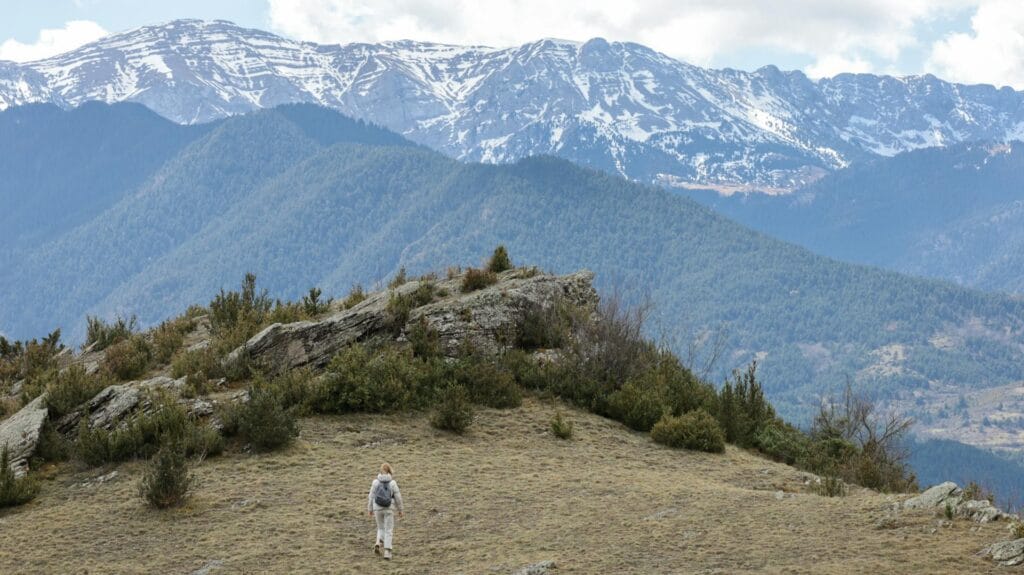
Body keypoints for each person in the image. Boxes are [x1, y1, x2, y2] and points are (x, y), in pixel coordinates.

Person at [367, 462, 404, 560]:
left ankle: (378, 542)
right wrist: (400, 510)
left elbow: (371, 496)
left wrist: (370, 509)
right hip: (389, 508)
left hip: (377, 508)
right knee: (388, 530)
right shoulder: (393, 483)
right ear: (389, 471)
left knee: (380, 528)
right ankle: (387, 552)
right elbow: (398, 498)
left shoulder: (375, 482)